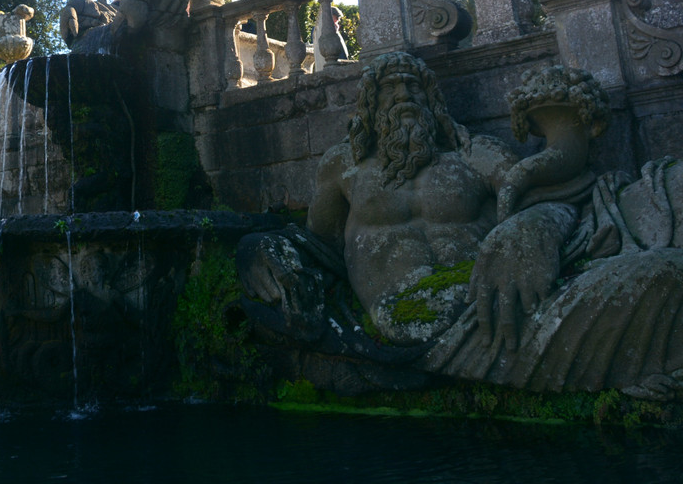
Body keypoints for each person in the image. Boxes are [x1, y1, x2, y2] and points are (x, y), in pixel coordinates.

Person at [241, 53, 683, 396]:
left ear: (433, 99)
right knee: (664, 278)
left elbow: (549, 197)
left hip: (496, 311)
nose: (403, 94)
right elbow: (318, 246)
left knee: (663, 261)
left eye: (413, 85)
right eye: (390, 87)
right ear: (370, 102)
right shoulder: (344, 166)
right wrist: (258, 248)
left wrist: (528, 225)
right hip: (416, 323)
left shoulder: (474, 154)